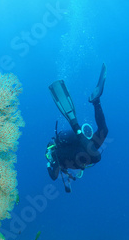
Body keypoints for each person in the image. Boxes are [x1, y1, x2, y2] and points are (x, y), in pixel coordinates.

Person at [46, 64, 108, 192]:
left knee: (96, 155)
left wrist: (49, 164)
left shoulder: (57, 157)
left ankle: (76, 126)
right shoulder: (60, 156)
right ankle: (96, 102)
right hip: (85, 147)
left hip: (84, 147)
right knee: (103, 131)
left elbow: (53, 176)